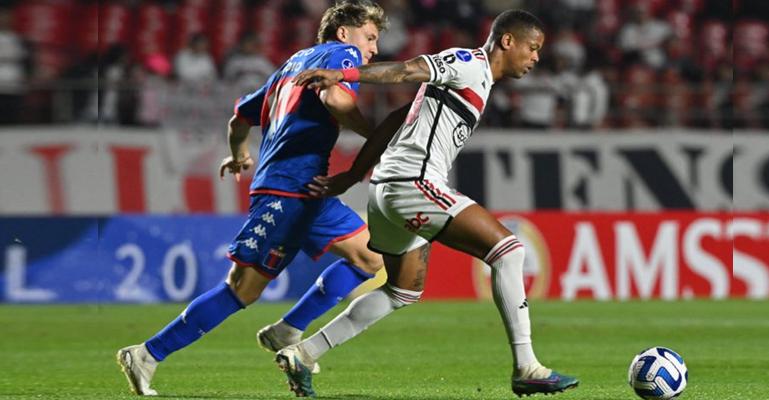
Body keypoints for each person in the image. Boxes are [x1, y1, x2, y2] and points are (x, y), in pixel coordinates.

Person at [277, 9, 579, 397]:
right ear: (508, 41)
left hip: (387, 188)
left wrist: (354, 175)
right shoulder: (468, 63)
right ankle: (528, 367)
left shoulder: (478, 83)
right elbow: (406, 70)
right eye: (532, 48)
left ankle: (304, 352)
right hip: (412, 183)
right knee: (509, 250)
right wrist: (344, 75)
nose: (536, 58)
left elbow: (396, 121)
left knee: (402, 291)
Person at [116, 2, 402, 396]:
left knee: (370, 256)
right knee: (243, 288)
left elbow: (238, 118)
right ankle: (147, 353)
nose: (372, 50)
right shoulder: (342, 55)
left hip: (307, 188)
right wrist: (374, 137)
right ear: (343, 32)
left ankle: (287, 330)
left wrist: (238, 154)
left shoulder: (290, 66)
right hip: (288, 187)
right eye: (370, 38)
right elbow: (336, 101)